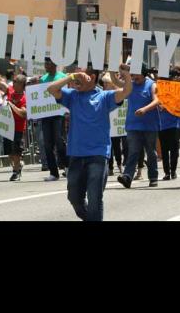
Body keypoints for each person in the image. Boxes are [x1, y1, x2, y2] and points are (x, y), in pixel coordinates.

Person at [47, 66, 132, 221]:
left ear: (92, 77)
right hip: (76, 155)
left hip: (98, 155)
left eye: (81, 76)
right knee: (74, 198)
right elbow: (51, 89)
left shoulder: (104, 96)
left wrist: (125, 74)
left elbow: (126, 91)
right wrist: (72, 76)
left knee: (94, 199)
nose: (77, 79)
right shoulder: (72, 96)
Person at [117, 64, 161, 189]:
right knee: (133, 152)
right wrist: (112, 72)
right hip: (133, 125)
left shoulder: (152, 85)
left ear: (143, 73)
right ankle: (127, 177)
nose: (134, 77)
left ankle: (153, 177)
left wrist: (145, 109)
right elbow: (117, 83)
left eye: (136, 74)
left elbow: (157, 100)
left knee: (151, 152)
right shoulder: (130, 85)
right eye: (133, 74)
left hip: (149, 125)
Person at [38, 58, 68, 181]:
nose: (46, 65)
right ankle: (53, 172)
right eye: (45, 63)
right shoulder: (42, 79)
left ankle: (67, 166)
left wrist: (67, 110)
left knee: (59, 142)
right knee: (47, 144)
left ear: (54, 64)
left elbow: (66, 94)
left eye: (48, 63)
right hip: (46, 115)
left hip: (58, 114)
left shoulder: (63, 77)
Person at [101, 72, 125, 176]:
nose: (105, 85)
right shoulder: (102, 94)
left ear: (111, 83)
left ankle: (119, 164)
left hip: (116, 124)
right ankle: (110, 167)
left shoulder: (116, 93)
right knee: (109, 146)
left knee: (116, 145)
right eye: (104, 83)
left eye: (107, 83)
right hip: (107, 123)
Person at [6, 75, 28, 182]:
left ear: (21, 84)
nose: (13, 83)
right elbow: (1, 83)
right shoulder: (11, 92)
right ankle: (18, 165)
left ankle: (16, 172)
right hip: (7, 127)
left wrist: (12, 106)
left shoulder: (24, 98)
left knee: (16, 151)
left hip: (18, 128)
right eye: (13, 81)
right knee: (10, 152)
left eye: (15, 81)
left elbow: (23, 113)